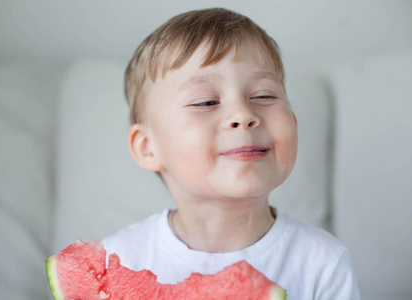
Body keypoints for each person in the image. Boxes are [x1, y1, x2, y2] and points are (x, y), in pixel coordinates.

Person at [102, 8, 360, 299]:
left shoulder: (324, 263)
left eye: (264, 96)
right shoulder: (116, 260)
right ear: (148, 147)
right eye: (206, 101)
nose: (243, 114)